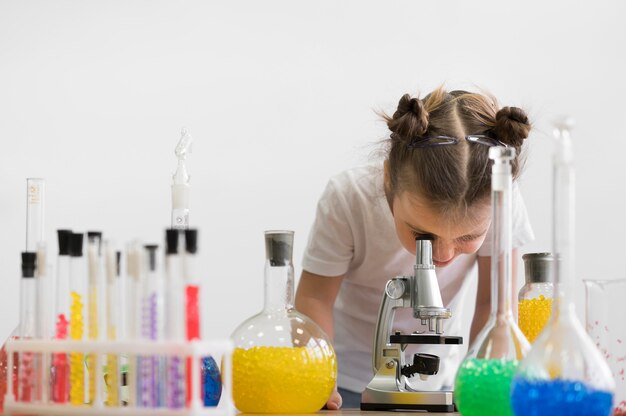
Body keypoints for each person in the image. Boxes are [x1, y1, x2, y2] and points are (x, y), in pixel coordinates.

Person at [295, 87, 534, 409]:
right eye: (423, 234)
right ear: (390, 181)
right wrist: (318, 375)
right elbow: (315, 297)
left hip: (443, 377)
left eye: (467, 237)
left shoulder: (500, 200)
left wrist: (479, 384)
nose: (443, 256)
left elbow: (495, 306)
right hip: (347, 380)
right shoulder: (349, 198)